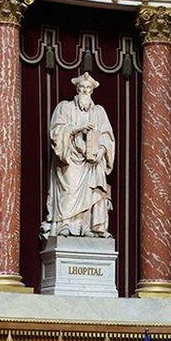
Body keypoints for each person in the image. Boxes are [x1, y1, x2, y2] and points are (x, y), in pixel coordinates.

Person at [43, 72, 115, 238]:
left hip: (92, 163)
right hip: (70, 159)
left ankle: (87, 227)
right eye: (82, 87)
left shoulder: (99, 112)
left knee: (92, 193)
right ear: (77, 89)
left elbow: (107, 136)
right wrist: (77, 128)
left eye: (88, 88)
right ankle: (65, 224)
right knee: (69, 190)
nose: (85, 91)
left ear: (92, 91)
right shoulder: (65, 107)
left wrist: (102, 151)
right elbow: (56, 130)